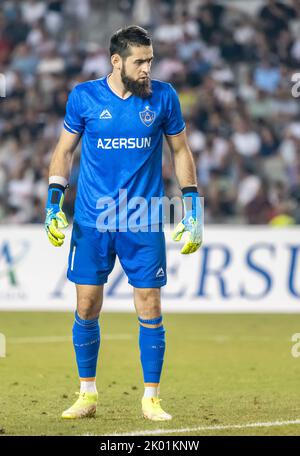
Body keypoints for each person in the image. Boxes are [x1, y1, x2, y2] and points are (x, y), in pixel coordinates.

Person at [44, 25, 202, 422]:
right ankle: (87, 394)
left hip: (144, 219)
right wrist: (52, 204)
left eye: (150, 60)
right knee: (87, 304)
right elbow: (63, 152)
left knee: (150, 303)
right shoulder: (84, 97)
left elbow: (180, 151)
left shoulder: (164, 97)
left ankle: (151, 397)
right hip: (93, 220)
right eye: (140, 61)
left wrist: (193, 208)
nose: (148, 68)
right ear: (117, 62)